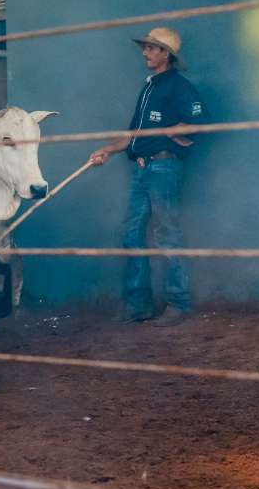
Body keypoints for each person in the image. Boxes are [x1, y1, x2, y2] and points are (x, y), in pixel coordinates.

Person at [88, 27, 208, 327]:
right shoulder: (149, 88)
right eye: (145, 48)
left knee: (167, 233)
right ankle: (138, 306)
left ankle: (178, 304)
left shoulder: (178, 86)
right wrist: (107, 150)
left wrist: (171, 132)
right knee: (132, 236)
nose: (145, 53)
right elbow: (134, 135)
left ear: (165, 54)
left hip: (163, 167)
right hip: (142, 168)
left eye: (152, 49)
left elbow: (199, 121)